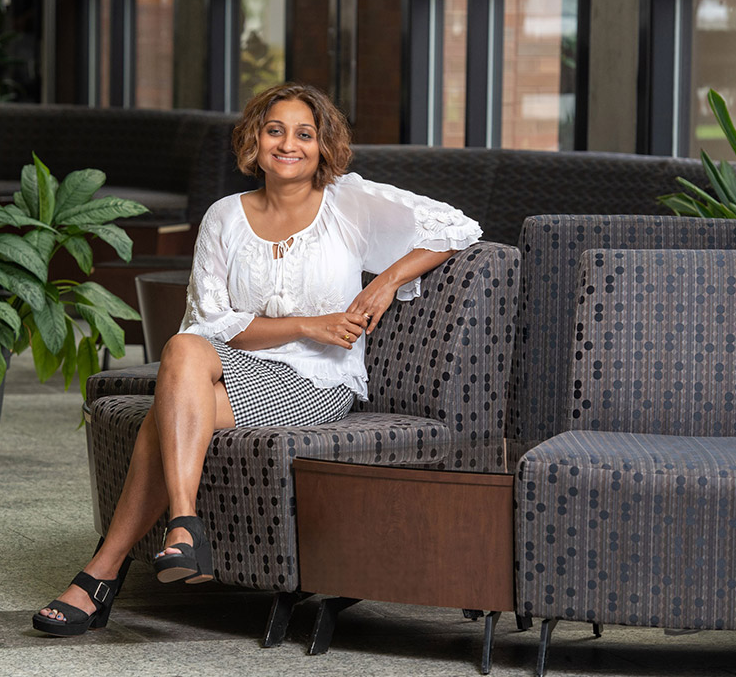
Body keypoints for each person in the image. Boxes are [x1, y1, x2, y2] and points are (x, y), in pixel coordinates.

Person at [33, 83, 481, 636]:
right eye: (275, 130)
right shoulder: (225, 216)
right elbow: (208, 321)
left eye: (304, 133)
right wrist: (305, 325)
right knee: (183, 348)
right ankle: (179, 527)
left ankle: (110, 571)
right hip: (238, 366)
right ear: (255, 139)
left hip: (318, 381)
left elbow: (455, 227)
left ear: (322, 145)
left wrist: (386, 281)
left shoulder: (347, 203)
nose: (288, 144)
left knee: (164, 412)